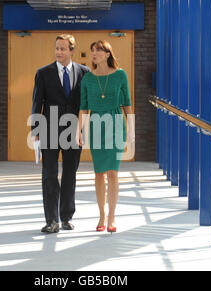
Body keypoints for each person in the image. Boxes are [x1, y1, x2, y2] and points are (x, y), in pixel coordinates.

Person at [31, 34, 90, 233]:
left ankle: (66, 217)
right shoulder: (43, 73)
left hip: (74, 131)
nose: (59, 52)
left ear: (72, 50)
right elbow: (37, 103)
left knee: (69, 175)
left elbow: (85, 104)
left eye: (63, 49)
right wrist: (36, 130)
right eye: (57, 48)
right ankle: (51, 220)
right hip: (48, 129)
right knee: (49, 175)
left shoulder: (85, 72)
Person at [77, 40, 135, 233]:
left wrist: (131, 128)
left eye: (98, 51)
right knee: (99, 172)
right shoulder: (87, 79)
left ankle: (112, 216)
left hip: (116, 121)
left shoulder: (120, 75)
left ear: (107, 54)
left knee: (113, 172)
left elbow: (127, 102)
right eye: (92, 50)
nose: (94, 54)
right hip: (95, 124)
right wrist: (79, 131)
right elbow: (83, 107)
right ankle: (101, 214)